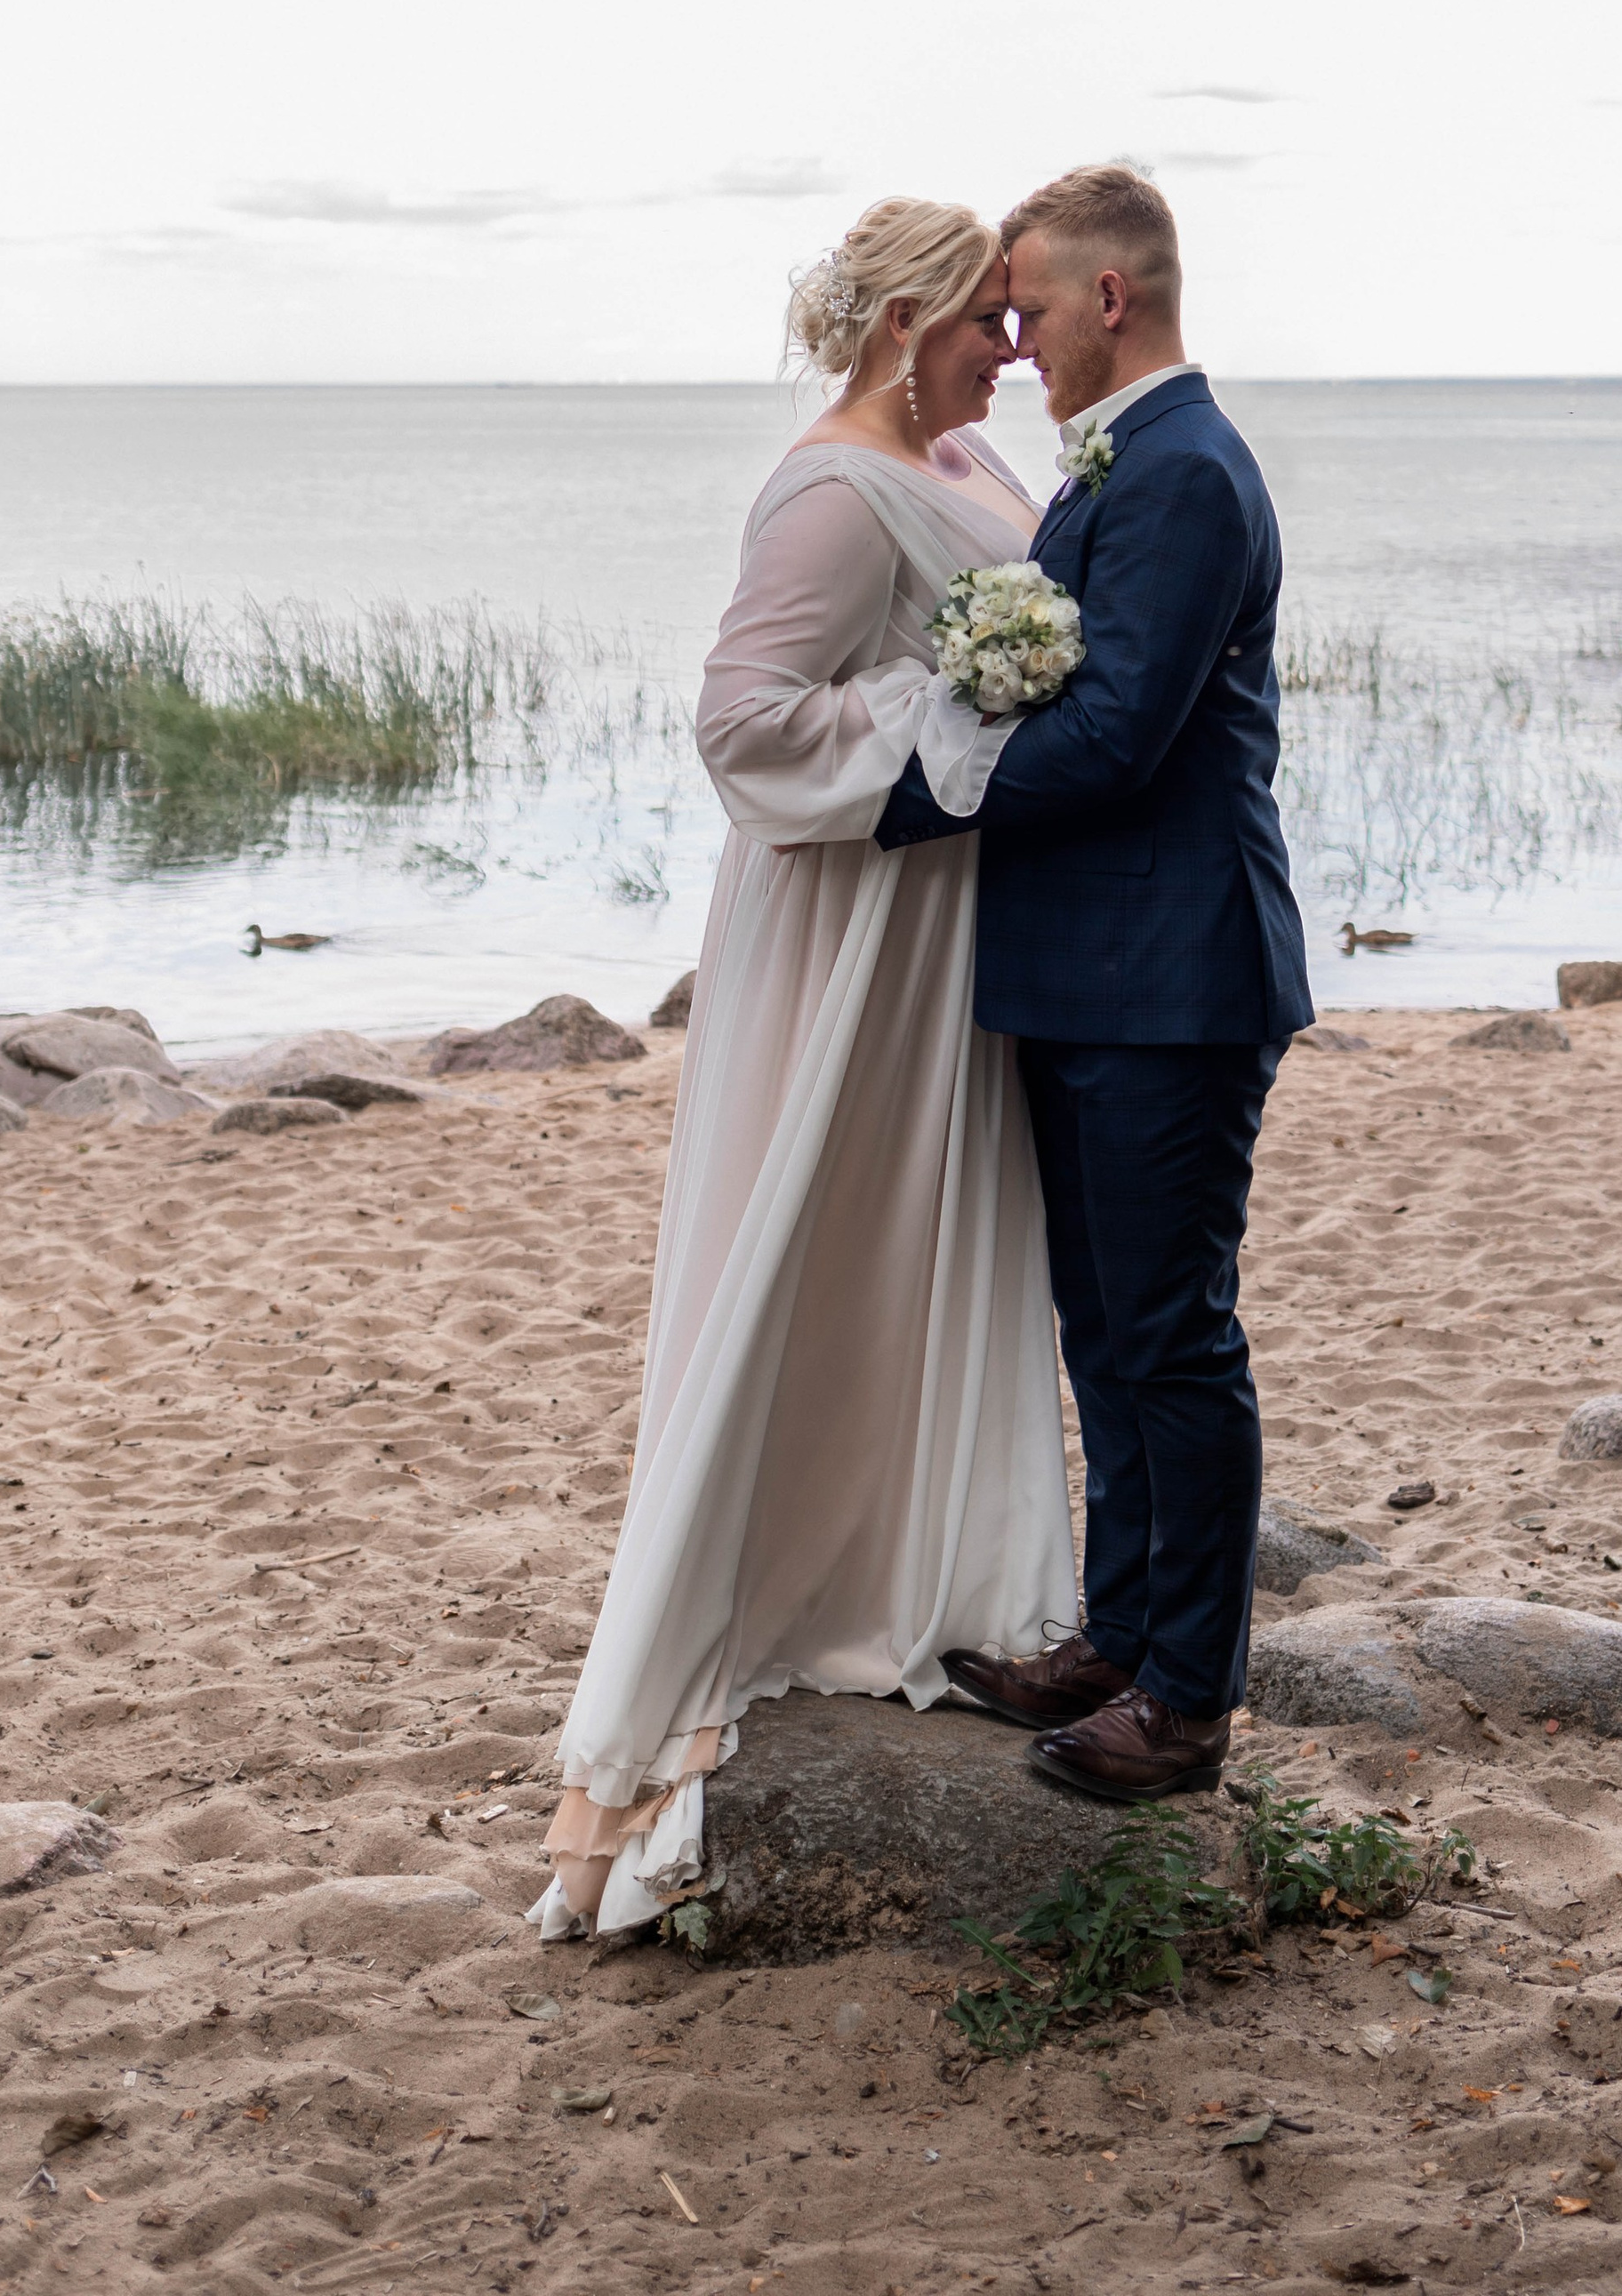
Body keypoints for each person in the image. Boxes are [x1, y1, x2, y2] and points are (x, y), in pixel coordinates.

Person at [533, 197, 1075, 1939]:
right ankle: (749, 1632)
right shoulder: (836, 489)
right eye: (988, 316)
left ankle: (929, 1573)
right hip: (856, 935)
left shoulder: (977, 460)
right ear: (904, 316)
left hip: (948, 929)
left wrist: (1013, 692)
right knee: (825, 1250)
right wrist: (960, 702)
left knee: (934, 1244)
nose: (1013, 343)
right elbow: (746, 723)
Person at [877, 163, 1314, 1803]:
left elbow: (1122, 731)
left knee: (1173, 1338)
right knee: (1104, 1332)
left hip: (1175, 978)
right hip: (1086, 975)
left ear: (1111, 299)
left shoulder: (1188, 472)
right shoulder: (1117, 466)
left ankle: (1189, 1698)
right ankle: (1121, 1636)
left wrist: (905, 793)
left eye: (1034, 309)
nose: (1021, 338)